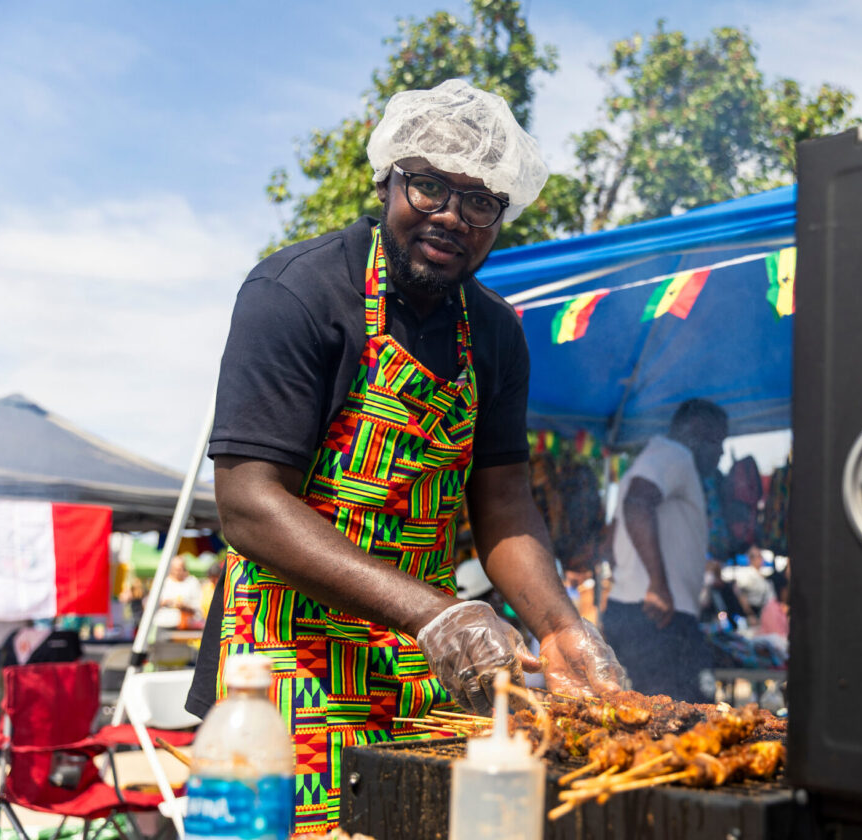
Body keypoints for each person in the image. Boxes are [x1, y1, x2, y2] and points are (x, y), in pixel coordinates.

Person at [184, 79, 624, 835]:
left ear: (500, 218)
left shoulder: (494, 333)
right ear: (389, 178)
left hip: (423, 666)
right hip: (289, 661)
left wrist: (558, 626)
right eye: (429, 186)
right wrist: (438, 614)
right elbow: (250, 504)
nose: (452, 214)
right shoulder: (298, 295)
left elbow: (505, 504)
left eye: (480, 200)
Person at [603, 398, 728, 702]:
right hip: (658, 616)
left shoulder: (653, 458)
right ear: (697, 431)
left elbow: (608, 540)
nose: (721, 452)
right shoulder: (675, 455)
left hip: (640, 613)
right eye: (718, 441)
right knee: (683, 724)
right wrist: (657, 585)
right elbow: (636, 503)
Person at [731, 544, 775, 626]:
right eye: (756, 556)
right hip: (752, 615)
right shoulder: (745, 573)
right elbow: (740, 595)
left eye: (760, 556)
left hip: (766, 615)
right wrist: (750, 615)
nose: (760, 559)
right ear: (750, 559)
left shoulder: (764, 576)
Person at [155, 556, 203, 630]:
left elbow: (199, 606)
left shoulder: (192, 582)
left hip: (186, 626)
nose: (178, 572)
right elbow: (152, 603)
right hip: (162, 624)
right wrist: (165, 602)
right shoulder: (163, 582)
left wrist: (184, 605)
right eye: (175, 569)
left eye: (180, 569)